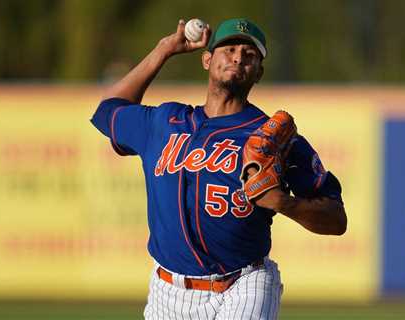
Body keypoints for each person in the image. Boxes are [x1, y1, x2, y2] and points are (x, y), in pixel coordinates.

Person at [91, 17, 347, 320]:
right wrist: (164, 49)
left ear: (259, 73)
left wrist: (286, 203)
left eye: (250, 54)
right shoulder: (165, 122)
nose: (239, 56)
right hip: (167, 290)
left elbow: (336, 219)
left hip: (243, 284)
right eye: (229, 49)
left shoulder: (274, 139)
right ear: (207, 59)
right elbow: (108, 110)